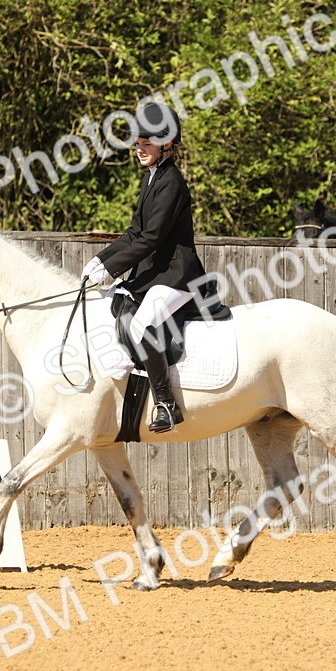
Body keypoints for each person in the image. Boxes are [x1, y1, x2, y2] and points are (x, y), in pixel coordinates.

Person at [81, 102, 208, 434]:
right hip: (155, 272)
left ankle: (166, 403)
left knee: (141, 327)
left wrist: (110, 270)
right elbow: (134, 233)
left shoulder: (172, 183)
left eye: (146, 141)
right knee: (111, 303)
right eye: (137, 141)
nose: (139, 147)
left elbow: (150, 238)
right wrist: (100, 260)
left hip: (178, 275)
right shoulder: (153, 178)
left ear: (166, 143)